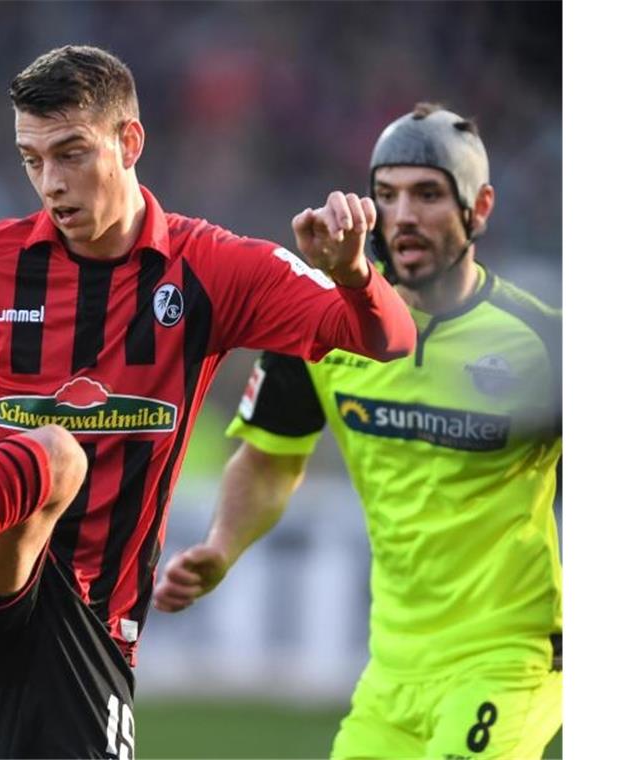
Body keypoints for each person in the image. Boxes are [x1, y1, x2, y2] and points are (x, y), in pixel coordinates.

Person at [0, 45, 415, 758]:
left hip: (89, 623)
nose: (50, 182)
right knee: (53, 453)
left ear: (129, 141)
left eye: (71, 153)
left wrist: (354, 275)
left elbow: (385, 337)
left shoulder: (213, 270)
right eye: (31, 159)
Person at [153, 102, 562, 759]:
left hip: (507, 659)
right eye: (387, 195)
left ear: (479, 207)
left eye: (427, 194)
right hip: (392, 672)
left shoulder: (544, 342)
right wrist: (223, 547)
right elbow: (268, 461)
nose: (403, 216)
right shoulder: (325, 328)